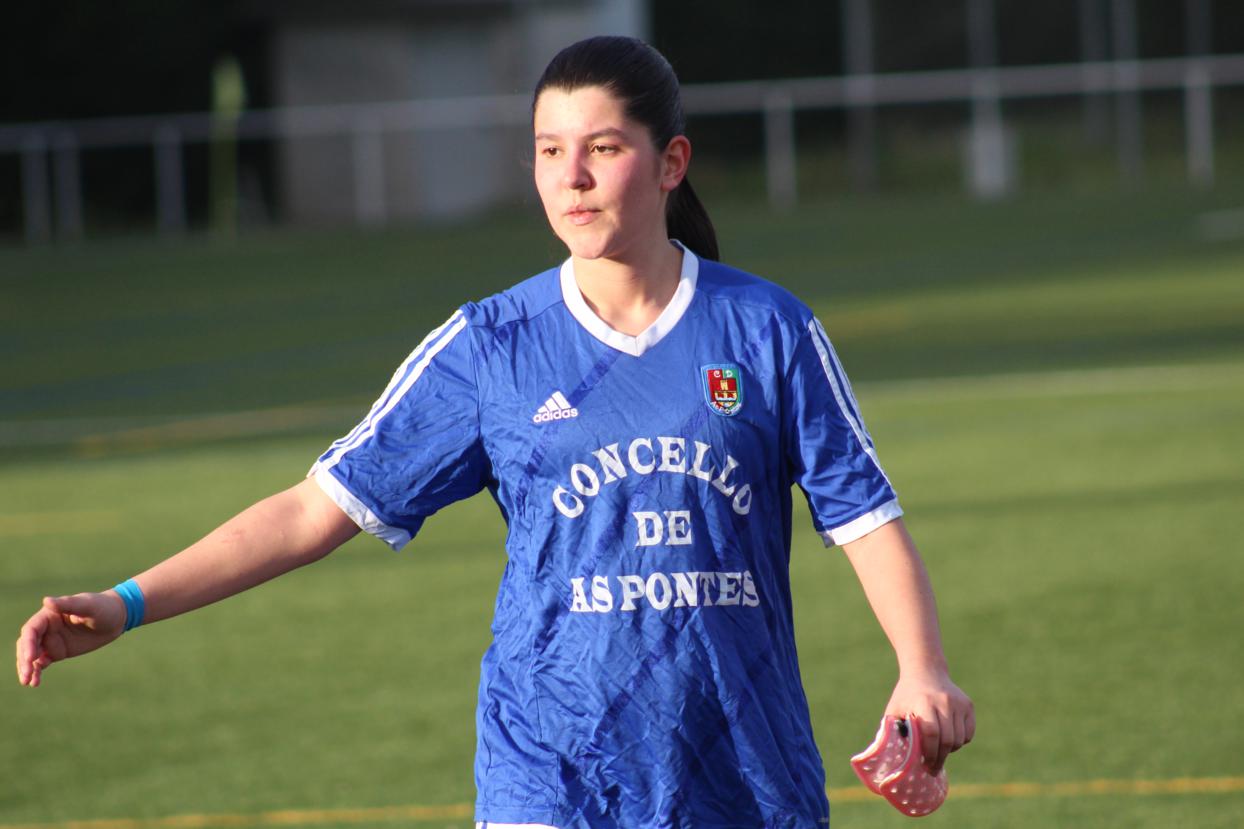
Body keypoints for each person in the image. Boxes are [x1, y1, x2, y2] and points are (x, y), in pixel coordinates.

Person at [16, 36, 973, 828]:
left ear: (671, 162)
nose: (573, 176)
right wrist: (127, 602)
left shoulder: (766, 330)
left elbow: (864, 517)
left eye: (603, 147)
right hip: (550, 776)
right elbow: (315, 509)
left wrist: (921, 669)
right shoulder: (492, 345)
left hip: (744, 775)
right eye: (550, 151)